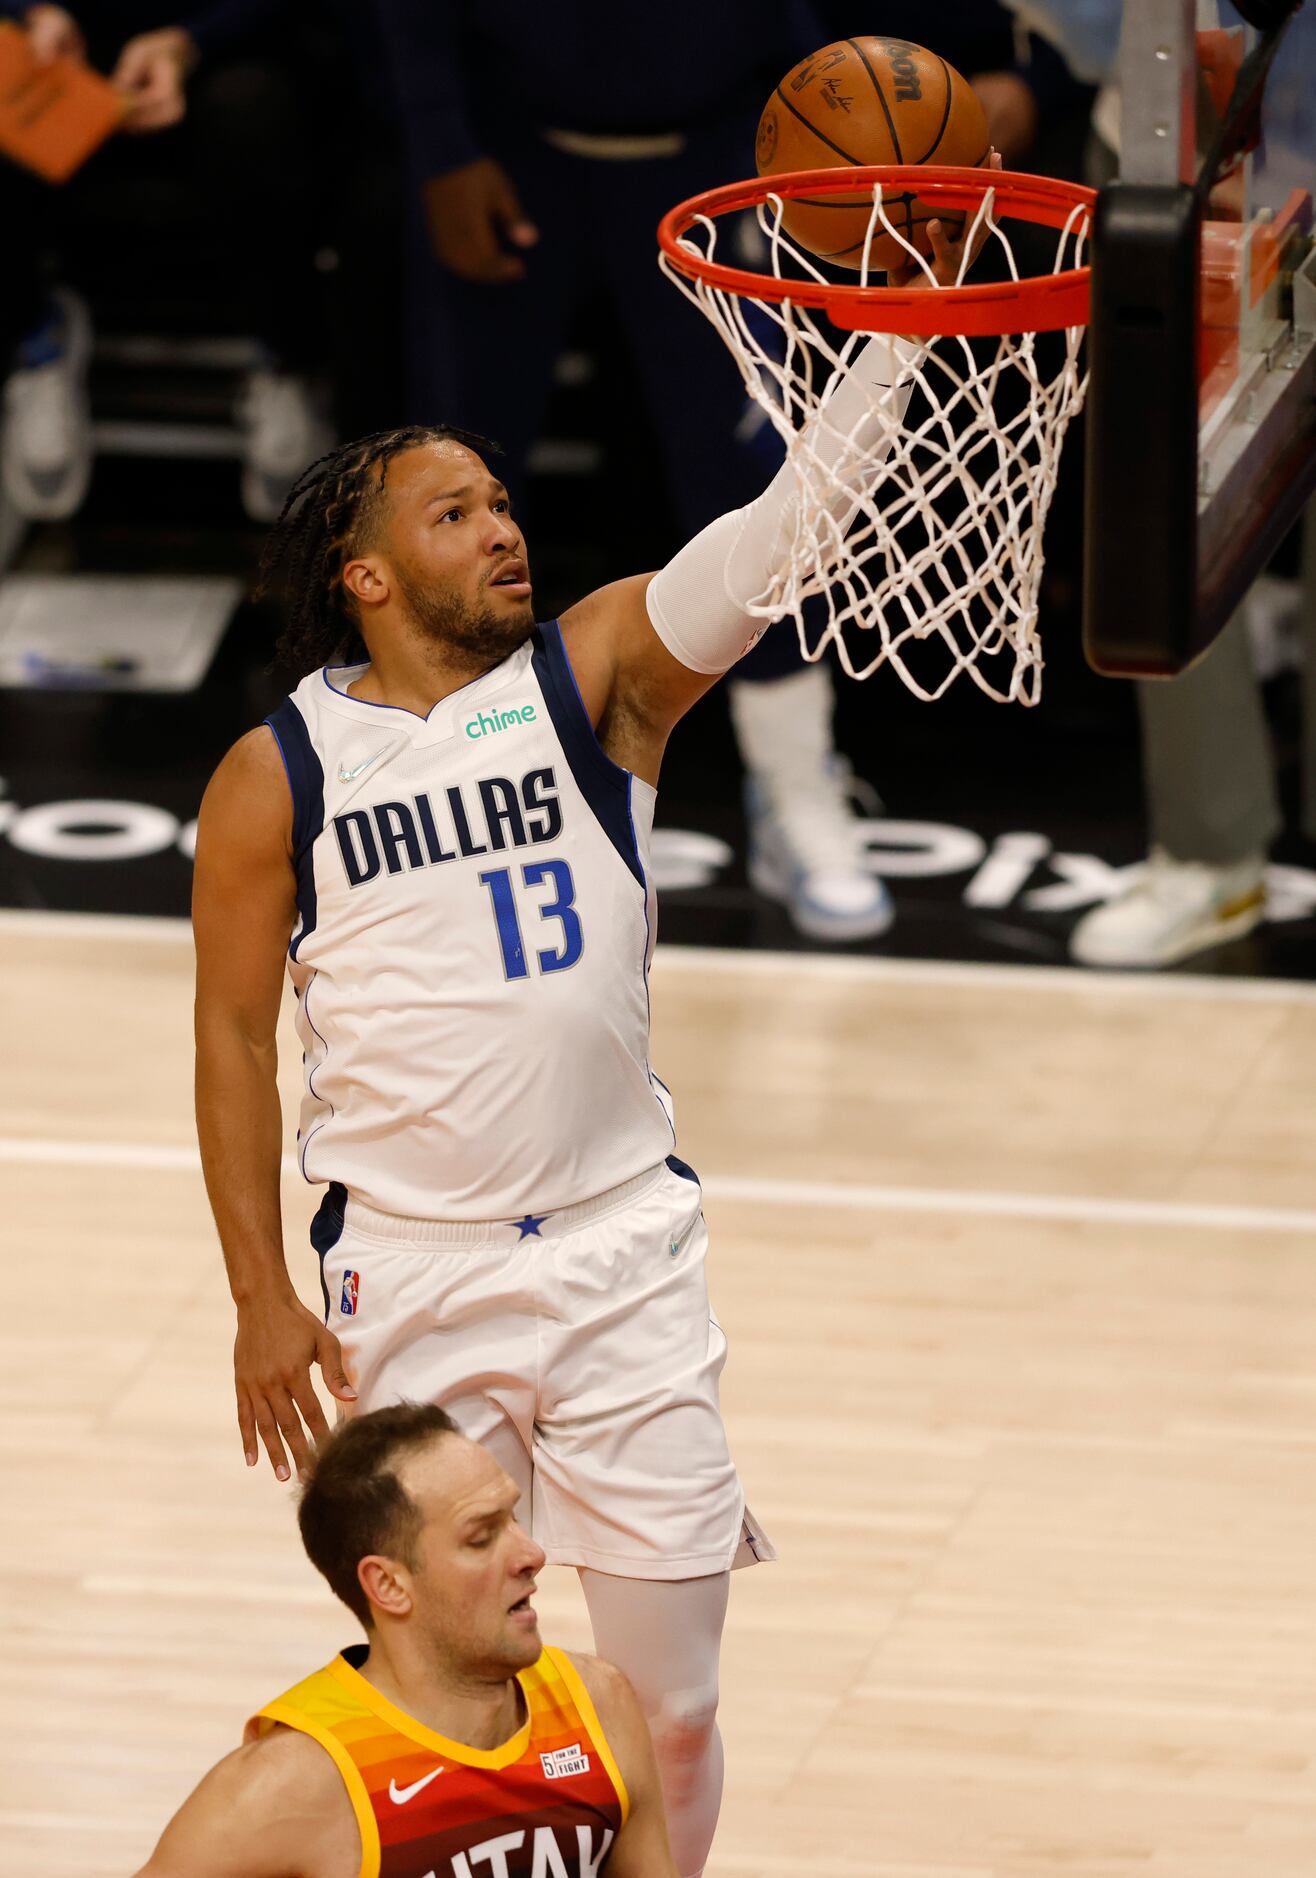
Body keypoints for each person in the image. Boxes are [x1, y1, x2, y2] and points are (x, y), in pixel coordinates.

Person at [191, 210, 977, 1878]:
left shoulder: (596, 672)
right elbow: (230, 1030)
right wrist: (257, 1286)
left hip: (624, 1254)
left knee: (668, 1705)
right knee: (459, 1701)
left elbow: (785, 534)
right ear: (367, 573)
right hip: (407, 1267)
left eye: (501, 501)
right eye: (454, 513)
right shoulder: (282, 775)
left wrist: (898, 333)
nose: (502, 530)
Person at [134, 1403, 678, 1877]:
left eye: (514, 1518)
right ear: (389, 1584)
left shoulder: (597, 1706)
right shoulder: (294, 1783)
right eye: (481, 1537)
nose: (531, 1554)